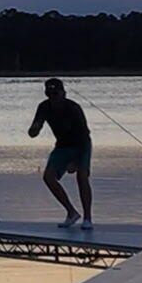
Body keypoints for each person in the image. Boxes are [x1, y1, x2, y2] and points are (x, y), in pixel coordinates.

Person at [29, 77, 93, 229]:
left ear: (63, 93)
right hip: (62, 146)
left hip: (81, 144)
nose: (54, 98)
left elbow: (83, 134)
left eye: (56, 94)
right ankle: (71, 213)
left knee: (82, 176)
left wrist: (75, 162)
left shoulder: (73, 108)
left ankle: (88, 218)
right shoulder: (43, 107)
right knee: (48, 177)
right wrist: (34, 129)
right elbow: (34, 130)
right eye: (50, 95)